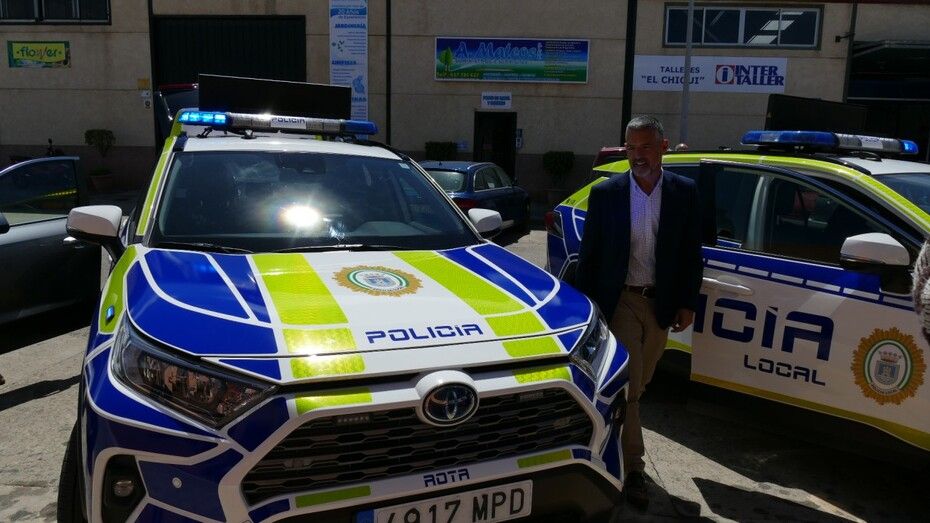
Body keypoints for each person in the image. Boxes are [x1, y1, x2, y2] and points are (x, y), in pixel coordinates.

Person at [575, 115, 703, 509]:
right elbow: (590, 256)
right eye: (630, 148)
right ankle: (633, 470)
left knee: (640, 386)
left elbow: (690, 252)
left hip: (661, 304)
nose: (637, 155)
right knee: (630, 386)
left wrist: (687, 301)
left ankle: (608, 438)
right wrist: (590, 309)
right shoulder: (607, 194)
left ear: (663, 146)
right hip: (622, 301)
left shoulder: (683, 192)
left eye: (645, 146)